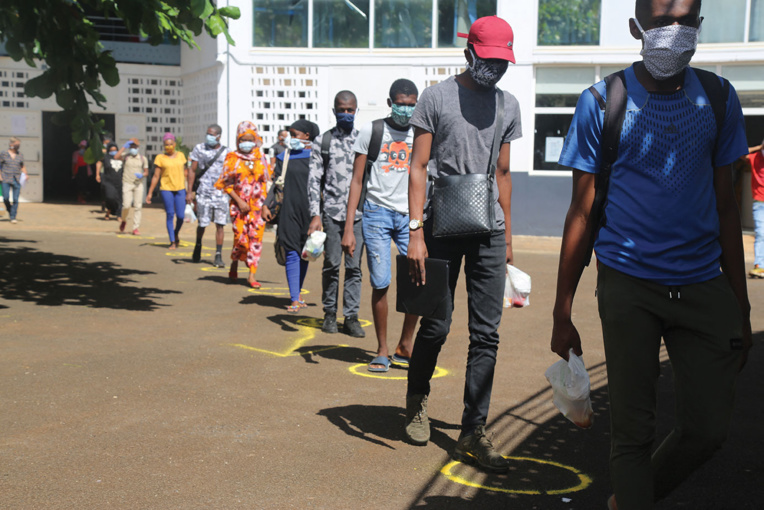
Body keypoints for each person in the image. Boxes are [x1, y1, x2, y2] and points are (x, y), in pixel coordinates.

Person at [551, 1, 752, 508]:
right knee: (632, 435)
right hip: (628, 285)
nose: (674, 31)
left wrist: (740, 305)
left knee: (708, 430)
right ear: (636, 26)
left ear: (700, 26)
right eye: (662, 20)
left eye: (685, 20)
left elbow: (728, 207)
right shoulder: (601, 101)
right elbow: (581, 212)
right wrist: (562, 309)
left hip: (704, 285)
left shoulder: (719, 97)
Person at [404, 15, 521, 474]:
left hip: (488, 227)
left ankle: (474, 429)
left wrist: (508, 235)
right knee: (435, 324)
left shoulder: (508, 105)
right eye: (489, 58)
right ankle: (416, 402)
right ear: (469, 51)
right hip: (440, 224)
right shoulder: (435, 97)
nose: (495, 68)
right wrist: (415, 230)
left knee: (487, 333)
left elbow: (504, 174)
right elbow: (417, 166)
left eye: (503, 61)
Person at [342, 79, 420, 372]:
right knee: (381, 281)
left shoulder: (422, 133)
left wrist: (421, 223)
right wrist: (350, 227)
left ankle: (406, 344)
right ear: (390, 103)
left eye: (412, 104)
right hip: (376, 214)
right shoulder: (372, 131)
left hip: (411, 217)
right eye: (401, 103)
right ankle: (383, 349)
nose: (406, 109)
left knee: (418, 279)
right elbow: (357, 180)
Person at [307, 90, 365, 337]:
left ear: (356, 110)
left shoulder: (364, 140)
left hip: (360, 215)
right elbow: (313, 180)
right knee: (331, 265)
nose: (346, 114)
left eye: (350, 110)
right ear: (334, 111)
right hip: (331, 214)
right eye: (341, 109)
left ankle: (351, 316)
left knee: (354, 268)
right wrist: (315, 214)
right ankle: (329, 313)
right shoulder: (323, 141)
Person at [263, 120, 320, 313]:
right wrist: (266, 204)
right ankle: (295, 298)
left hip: (311, 213)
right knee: (291, 253)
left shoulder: (318, 156)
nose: (291, 138)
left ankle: (297, 293)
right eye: (290, 134)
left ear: (307, 136)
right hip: (288, 211)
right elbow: (277, 183)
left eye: (295, 134)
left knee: (305, 254)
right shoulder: (284, 156)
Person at [215, 121, 270, 288]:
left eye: (250, 139)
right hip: (239, 206)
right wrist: (239, 201)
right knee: (241, 238)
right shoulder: (232, 158)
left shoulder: (261, 157)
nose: (246, 142)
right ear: (238, 140)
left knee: (255, 239)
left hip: (258, 206)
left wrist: (266, 204)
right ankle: (234, 263)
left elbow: (265, 181)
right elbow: (224, 183)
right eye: (242, 139)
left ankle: (251, 275)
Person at [187, 124, 232, 267]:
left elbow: (231, 174)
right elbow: (192, 171)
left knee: (220, 224)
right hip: (204, 192)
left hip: (220, 193)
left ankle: (218, 255)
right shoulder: (199, 149)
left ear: (219, 136)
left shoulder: (227, 152)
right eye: (208, 134)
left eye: (212, 134)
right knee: (202, 223)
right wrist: (189, 192)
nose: (209, 137)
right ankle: (198, 244)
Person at [147, 132, 188, 249]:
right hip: (166, 189)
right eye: (166, 145)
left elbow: (185, 172)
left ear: (174, 144)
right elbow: (156, 176)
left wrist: (189, 190)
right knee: (170, 214)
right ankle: (172, 241)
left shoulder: (181, 155)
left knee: (180, 216)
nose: (169, 146)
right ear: (163, 146)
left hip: (180, 189)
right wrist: (150, 193)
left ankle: (175, 233)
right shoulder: (160, 158)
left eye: (171, 144)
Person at [115, 139, 149, 235]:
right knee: (126, 205)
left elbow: (146, 171)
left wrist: (142, 174)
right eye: (131, 147)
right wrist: (124, 147)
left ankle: (135, 227)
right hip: (127, 183)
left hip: (138, 184)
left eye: (135, 147)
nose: (133, 149)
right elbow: (116, 156)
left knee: (138, 206)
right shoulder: (126, 156)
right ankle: (124, 220)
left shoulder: (142, 158)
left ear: (138, 148)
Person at [743, 140, 764, 278]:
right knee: (761, 233)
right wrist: (758, 147)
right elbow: (738, 153)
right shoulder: (755, 156)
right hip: (759, 202)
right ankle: (760, 266)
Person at [0, 137, 27, 224]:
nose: (18, 146)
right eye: (17, 144)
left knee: (16, 199)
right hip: (5, 178)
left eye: (19, 145)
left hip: (17, 179)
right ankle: (10, 209)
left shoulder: (20, 155)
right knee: (6, 197)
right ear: (11, 144)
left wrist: (25, 174)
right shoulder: (3, 154)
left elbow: (22, 166)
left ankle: (13, 216)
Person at [95, 142, 123, 220]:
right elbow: (99, 162)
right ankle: (109, 210)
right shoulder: (106, 157)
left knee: (119, 199)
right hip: (108, 181)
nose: (113, 151)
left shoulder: (120, 157)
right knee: (110, 197)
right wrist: (97, 174)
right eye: (111, 150)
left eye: (115, 150)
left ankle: (119, 215)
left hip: (119, 182)